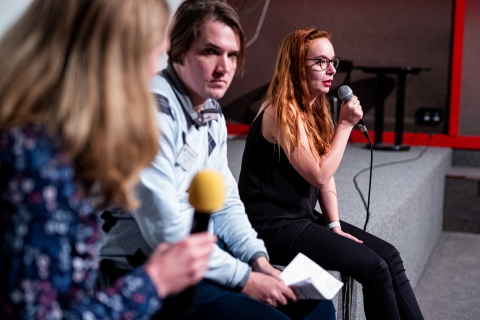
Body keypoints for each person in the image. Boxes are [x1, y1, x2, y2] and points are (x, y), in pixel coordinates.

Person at [99, 1, 335, 319]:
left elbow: (226, 202)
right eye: (211, 52)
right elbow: (167, 232)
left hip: (208, 258)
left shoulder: (211, 112)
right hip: (151, 271)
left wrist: (258, 260)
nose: (224, 67)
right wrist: (244, 279)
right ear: (179, 50)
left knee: (318, 308)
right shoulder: (151, 115)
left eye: (232, 55)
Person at [0, 0, 216, 319]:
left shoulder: (42, 145)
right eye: (151, 56)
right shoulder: (36, 163)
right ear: (113, 62)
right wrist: (155, 280)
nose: (150, 75)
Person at [238, 28, 425, 320]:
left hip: (300, 218)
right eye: (321, 62)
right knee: (373, 268)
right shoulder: (281, 111)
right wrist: (345, 127)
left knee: (389, 256)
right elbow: (319, 174)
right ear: (298, 66)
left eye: (333, 60)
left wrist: (334, 224)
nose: (332, 69)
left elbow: (328, 175)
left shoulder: (314, 108)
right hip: (270, 227)